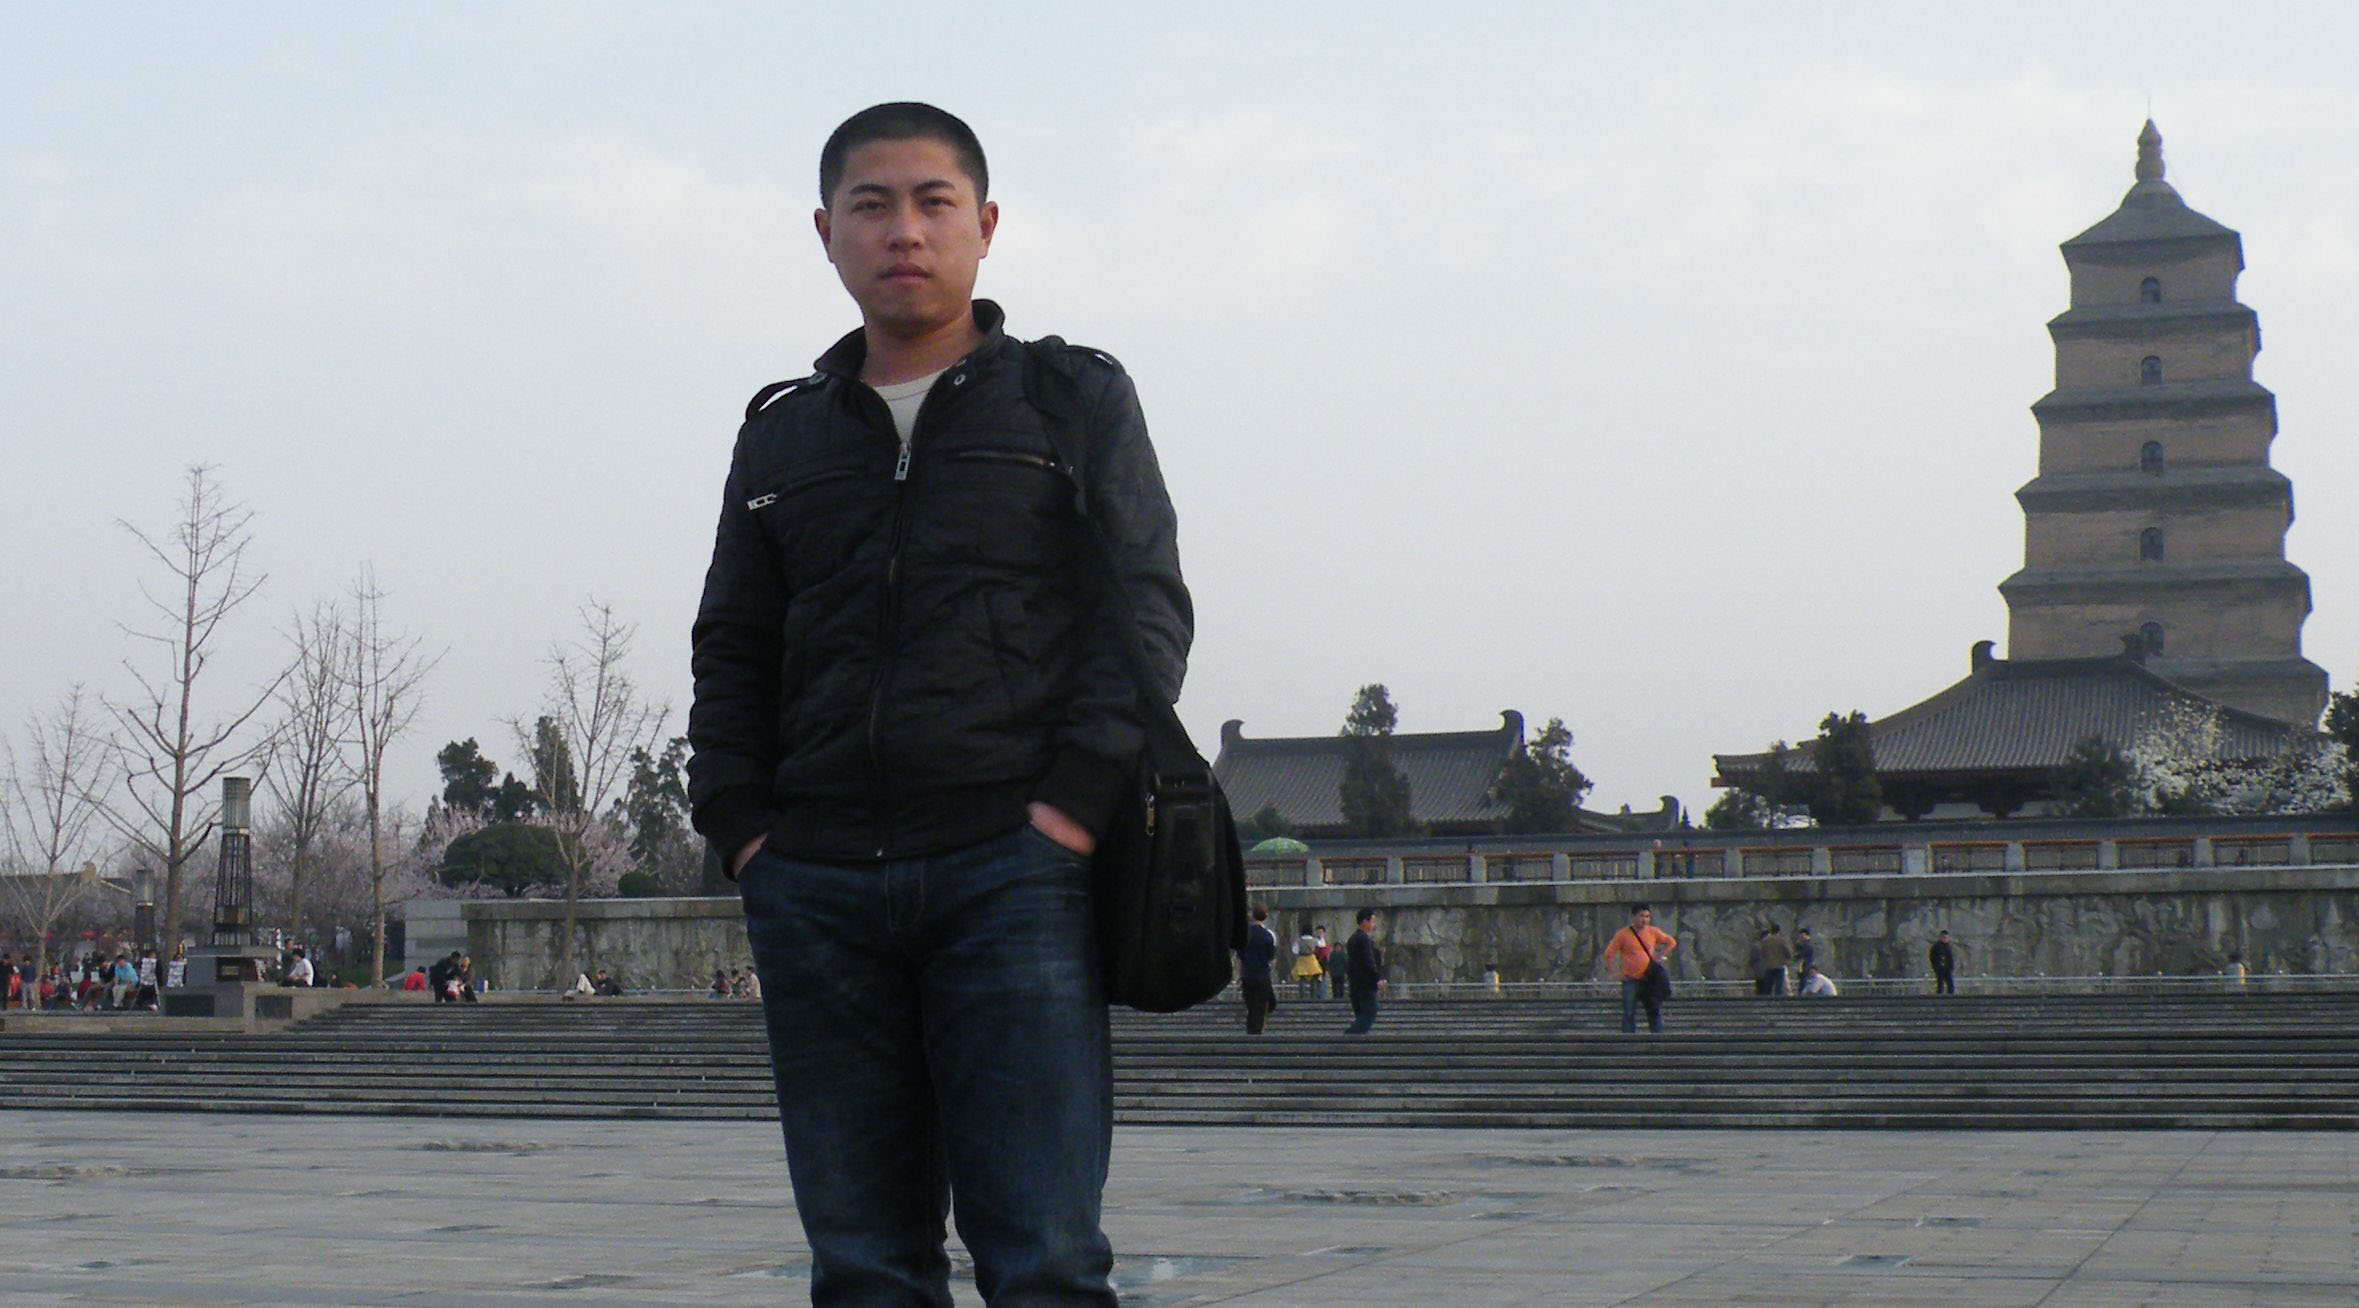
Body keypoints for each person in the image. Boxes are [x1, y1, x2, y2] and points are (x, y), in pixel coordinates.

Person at [686, 101, 1189, 1307]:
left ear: (985, 225)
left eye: (932, 203)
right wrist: (744, 828)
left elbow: (1145, 612)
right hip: (816, 882)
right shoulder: (781, 438)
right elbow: (733, 645)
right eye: (870, 206)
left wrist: (1069, 810)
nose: (902, 231)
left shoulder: (1069, 401)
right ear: (826, 233)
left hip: (1009, 870)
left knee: (1044, 1258)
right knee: (862, 1264)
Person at [1603, 902, 1677, 1034]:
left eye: (1647, 916)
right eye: (1641, 916)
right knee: (1629, 1012)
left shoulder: (1653, 932)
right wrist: (1615, 973)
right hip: (1631, 979)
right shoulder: (1623, 934)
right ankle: (1628, 1040)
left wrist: (1660, 955)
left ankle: (1657, 1039)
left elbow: (1671, 942)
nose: (1644, 920)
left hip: (1649, 978)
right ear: (1633, 916)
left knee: (1654, 1011)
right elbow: (1609, 953)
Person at [1237, 905, 1279, 1034]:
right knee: (1261, 1004)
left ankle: (1250, 1030)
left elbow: (1240, 957)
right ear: (1266, 917)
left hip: (1247, 974)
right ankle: (1257, 1031)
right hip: (1262, 974)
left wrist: (1240, 975)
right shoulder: (1267, 935)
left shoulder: (1245, 934)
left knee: (1251, 1004)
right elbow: (1271, 956)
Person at [1344, 909, 1385, 1035]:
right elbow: (1368, 961)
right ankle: (1348, 1037)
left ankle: (1355, 1041)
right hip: (1365, 983)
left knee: (1361, 1015)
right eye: (1372, 922)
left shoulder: (1352, 938)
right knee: (1371, 1011)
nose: (1374, 925)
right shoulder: (1363, 939)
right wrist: (1377, 978)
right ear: (1364, 922)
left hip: (1355, 983)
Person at [1758, 922, 1792, 997]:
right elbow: (1787, 951)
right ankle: (1777, 1000)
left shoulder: (1765, 941)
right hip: (1780, 965)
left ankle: (1767, 1000)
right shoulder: (1781, 940)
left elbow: (1762, 952)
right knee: (1779, 986)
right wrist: (1788, 958)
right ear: (1779, 931)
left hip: (1769, 965)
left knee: (1768, 986)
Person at [1291, 927, 1324, 998]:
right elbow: (1322, 945)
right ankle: (1313, 997)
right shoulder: (1314, 940)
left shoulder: (1299, 940)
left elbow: (1295, 951)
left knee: (1301, 979)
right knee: (1314, 979)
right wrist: (1321, 937)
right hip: (1311, 959)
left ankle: (1302, 997)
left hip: (1302, 960)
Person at [1927, 930, 1957, 995]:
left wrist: (1951, 966)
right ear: (1940, 937)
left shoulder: (1948, 946)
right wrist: (1936, 966)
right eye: (1943, 937)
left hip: (1948, 968)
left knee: (1950, 983)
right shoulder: (1936, 946)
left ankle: (1951, 996)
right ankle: (1939, 996)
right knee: (1940, 983)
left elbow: (1950, 957)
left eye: (1946, 937)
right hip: (1939, 968)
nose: (1945, 939)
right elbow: (1932, 957)